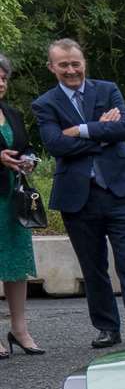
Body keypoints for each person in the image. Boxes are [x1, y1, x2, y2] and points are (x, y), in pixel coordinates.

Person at [32, 38, 125, 348]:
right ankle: (107, 329)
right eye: (63, 65)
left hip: (120, 192)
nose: (71, 70)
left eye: (75, 63)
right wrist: (101, 132)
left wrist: (80, 130)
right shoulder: (45, 104)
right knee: (93, 268)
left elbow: (124, 130)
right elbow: (55, 145)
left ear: (84, 62)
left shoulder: (107, 90)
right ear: (52, 67)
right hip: (79, 198)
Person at [0, 52, 45, 358]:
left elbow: (25, 146)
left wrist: (29, 160)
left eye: (4, 77)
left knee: (15, 267)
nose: (2, 82)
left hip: (12, 199)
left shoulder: (12, 113)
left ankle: (19, 329)